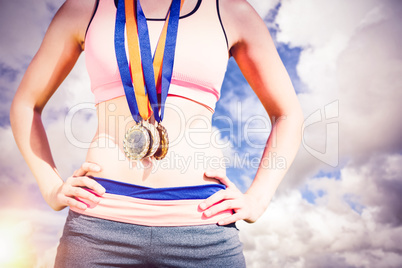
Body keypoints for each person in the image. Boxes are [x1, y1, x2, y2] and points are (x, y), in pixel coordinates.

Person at [10, 0, 303, 266]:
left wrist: (257, 199)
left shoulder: (231, 11)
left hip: (203, 226)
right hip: (97, 225)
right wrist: (51, 188)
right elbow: (26, 104)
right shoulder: (85, 8)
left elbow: (288, 114)